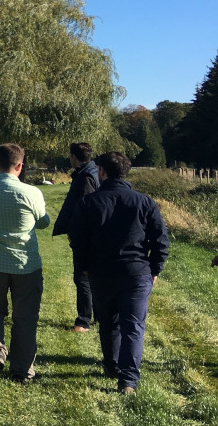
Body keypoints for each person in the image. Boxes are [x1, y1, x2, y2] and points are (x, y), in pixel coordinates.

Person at [68, 151, 169, 394]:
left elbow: (78, 241)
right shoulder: (144, 202)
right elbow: (161, 241)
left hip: (102, 273)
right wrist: (154, 269)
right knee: (133, 326)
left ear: (101, 172)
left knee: (109, 323)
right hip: (136, 273)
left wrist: (85, 269)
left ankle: (112, 365)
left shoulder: (88, 203)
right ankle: (128, 380)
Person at [0, 143, 51, 383]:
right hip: (25, 265)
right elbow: (43, 222)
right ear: (20, 166)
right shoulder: (31, 193)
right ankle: (22, 371)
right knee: (25, 317)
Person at [51, 143, 100, 333]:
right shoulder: (90, 172)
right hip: (90, 235)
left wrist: (77, 235)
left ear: (73, 156)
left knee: (83, 278)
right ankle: (97, 317)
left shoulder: (86, 177)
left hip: (86, 237)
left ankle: (84, 321)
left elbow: (86, 208)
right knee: (89, 278)